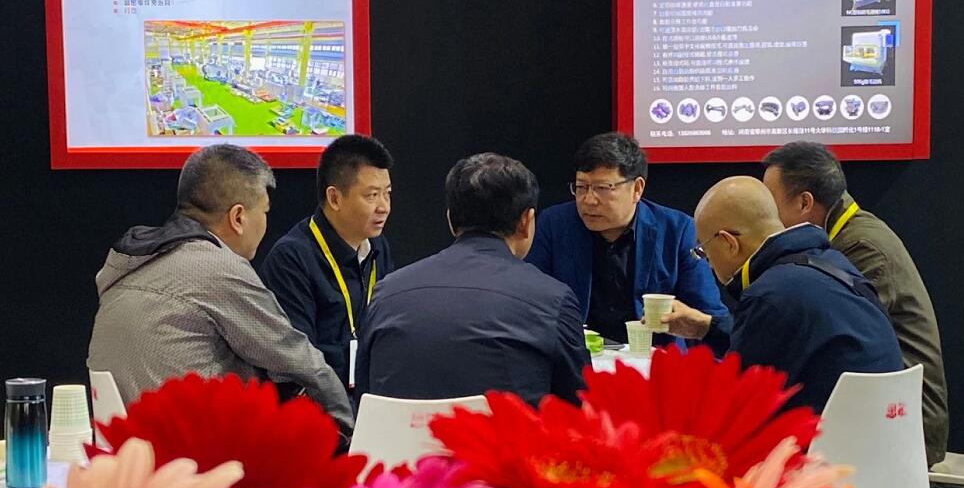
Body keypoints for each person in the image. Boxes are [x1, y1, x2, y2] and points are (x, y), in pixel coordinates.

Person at [87, 144, 353, 435]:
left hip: (123, 450)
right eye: (265, 211)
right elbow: (301, 363)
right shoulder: (217, 269)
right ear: (238, 218)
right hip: (195, 452)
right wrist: (350, 435)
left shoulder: (124, 266)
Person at [761, 141, 948, 465]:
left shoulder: (860, 247)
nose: (764, 215)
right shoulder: (849, 236)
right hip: (879, 412)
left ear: (804, 203)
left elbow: (826, 336)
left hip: (904, 422)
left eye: (769, 204)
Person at [355, 153, 590, 407]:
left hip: (396, 434)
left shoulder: (385, 294)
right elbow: (582, 406)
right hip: (503, 433)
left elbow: (364, 396)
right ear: (526, 221)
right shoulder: (552, 300)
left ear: (450, 220)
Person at [663, 176, 904, 413]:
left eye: (703, 251)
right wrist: (708, 328)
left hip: (826, 435)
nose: (707, 264)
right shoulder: (833, 264)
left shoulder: (770, 293)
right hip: (890, 427)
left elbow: (738, 403)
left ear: (729, 243)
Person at [525, 132, 728, 347]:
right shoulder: (554, 225)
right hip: (578, 355)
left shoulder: (677, 231)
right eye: (581, 187)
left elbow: (708, 314)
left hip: (654, 357)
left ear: (637, 188)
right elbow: (530, 300)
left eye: (603, 188)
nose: (589, 200)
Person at [260, 135, 395, 396]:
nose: (384, 207)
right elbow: (298, 365)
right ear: (334, 198)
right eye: (372, 196)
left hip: (371, 396)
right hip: (320, 405)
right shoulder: (291, 259)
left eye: (387, 194)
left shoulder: (378, 247)